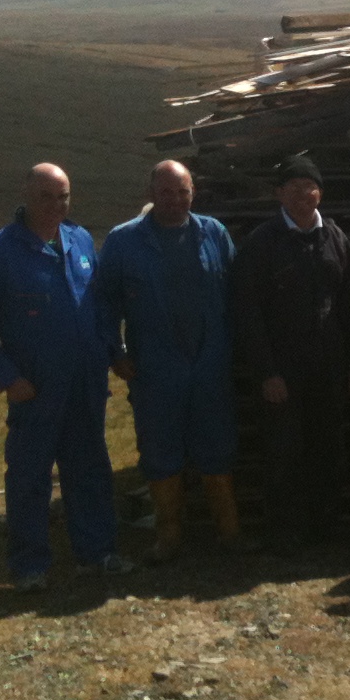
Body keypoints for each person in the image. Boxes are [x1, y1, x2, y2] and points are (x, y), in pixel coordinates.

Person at [0, 163, 129, 590]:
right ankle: (30, 566)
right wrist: (6, 377)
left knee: (90, 467)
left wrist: (112, 350)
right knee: (29, 475)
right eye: (46, 197)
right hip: (35, 386)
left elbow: (102, 305)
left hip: (85, 382)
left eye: (63, 197)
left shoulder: (81, 241)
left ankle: (98, 552)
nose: (56, 206)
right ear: (26, 196)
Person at [96, 160, 241, 564]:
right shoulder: (124, 241)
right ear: (151, 194)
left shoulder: (213, 233)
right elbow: (104, 303)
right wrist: (116, 353)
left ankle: (229, 535)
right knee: (160, 451)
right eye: (166, 193)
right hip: (155, 366)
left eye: (182, 192)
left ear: (193, 192)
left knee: (218, 447)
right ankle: (169, 538)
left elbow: (235, 296)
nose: (175, 201)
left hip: (210, 362)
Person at [231, 154, 350, 555]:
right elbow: (247, 313)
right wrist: (266, 372)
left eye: (309, 187)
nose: (303, 195)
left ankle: (326, 528)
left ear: (319, 192)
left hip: (327, 365)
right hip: (282, 370)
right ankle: (285, 533)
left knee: (328, 449)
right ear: (279, 195)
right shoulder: (262, 242)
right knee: (283, 451)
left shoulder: (336, 239)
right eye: (293, 188)